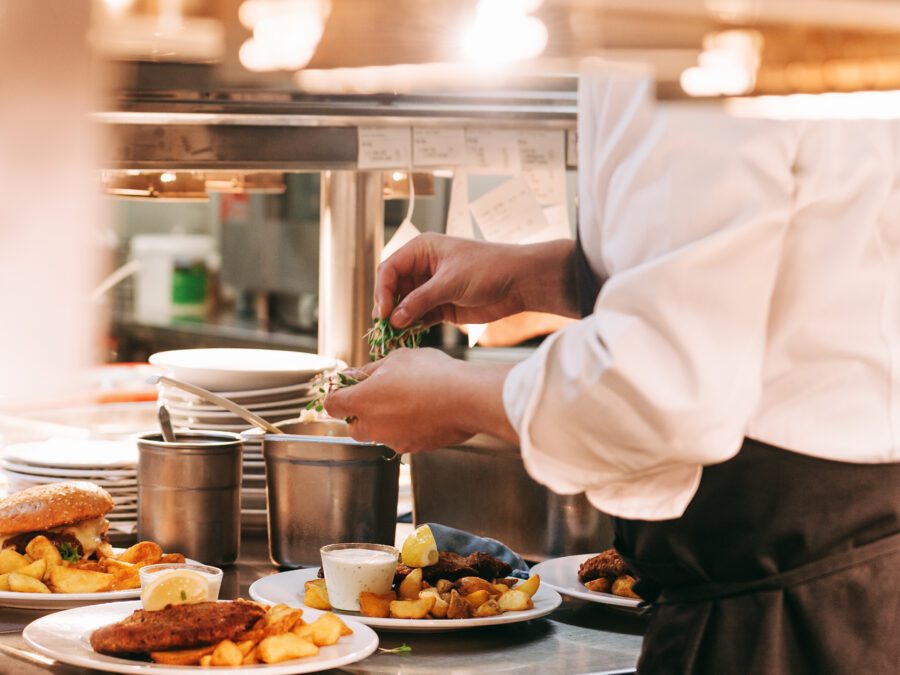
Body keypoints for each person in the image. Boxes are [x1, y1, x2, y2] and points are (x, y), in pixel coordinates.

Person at [325, 61, 900, 673]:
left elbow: (663, 391)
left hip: (791, 608)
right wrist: (530, 278)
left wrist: (457, 398)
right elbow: (760, 267)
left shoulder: (680, 38)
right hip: (844, 565)